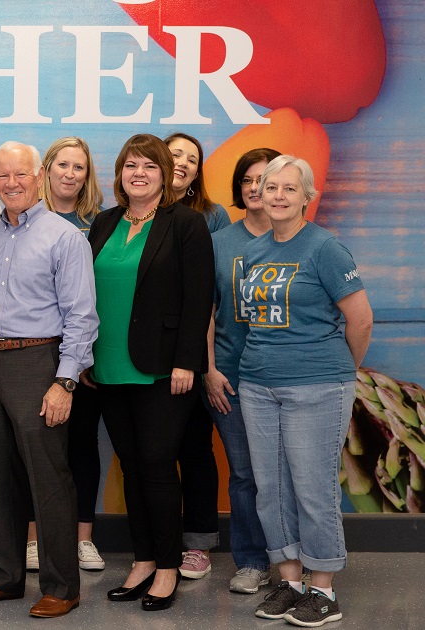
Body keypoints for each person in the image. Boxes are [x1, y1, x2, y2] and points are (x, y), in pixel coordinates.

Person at [0, 142, 94, 618]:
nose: (11, 183)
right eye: (2, 176)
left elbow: (81, 317)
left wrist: (65, 382)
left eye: (20, 174)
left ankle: (61, 586)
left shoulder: (64, 237)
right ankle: (6, 576)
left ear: (39, 177)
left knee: (49, 477)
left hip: (39, 363)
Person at [238, 155, 372, 627]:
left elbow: (360, 320)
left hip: (316, 384)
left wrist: (338, 373)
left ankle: (323, 590)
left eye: (289, 189)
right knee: (270, 488)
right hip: (256, 384)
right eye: (269, 187)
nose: (277, 195)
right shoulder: (254, 252)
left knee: (312, 490)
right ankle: (290, 581)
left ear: (306, 197)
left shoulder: (326, 249)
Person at [88, 133, 214, 612]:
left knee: (159, 466)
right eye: (130, 165)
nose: (138, 173)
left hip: (164, 369)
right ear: (119, 173)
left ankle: (166, 567)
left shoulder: (185, 224)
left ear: (165, 175)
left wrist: (188, 361)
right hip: (108, 365)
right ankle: (141, 560)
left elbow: (198, 297)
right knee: (131, 466)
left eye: (149, 166)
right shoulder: (103, 223)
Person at [24, 136, 107, 573]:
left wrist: (86, 355)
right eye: (63, 165)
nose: (70, 174)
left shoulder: (100, 223)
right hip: (35, 350)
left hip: (82, 350)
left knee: (82, 445)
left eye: (79, 167)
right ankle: (36, 538)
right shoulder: (26, 218)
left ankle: (83, 538)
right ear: (46, 170)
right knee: (39, 445)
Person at [204, 147, 281, 594]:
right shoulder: (219, 244)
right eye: (249, 180)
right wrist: (210, 370)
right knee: (246, 474)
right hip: (229, 377)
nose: (256, 188)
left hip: (285, 376)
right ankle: (252, 561)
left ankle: (292, 559)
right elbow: (206, 314)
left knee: (289, 472)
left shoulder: (306, 240)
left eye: (266, 179)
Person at [165, 131, 228, 580]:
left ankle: (198, 542)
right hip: (140, 355)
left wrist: (201, 360)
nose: (183, 162)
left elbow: (216, 290)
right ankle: (156, 542)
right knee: (150, 454)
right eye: (174, 154)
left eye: (192, 158)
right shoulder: (129, 213)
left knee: (194, 448)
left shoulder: (211, 216)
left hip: (194, 350)